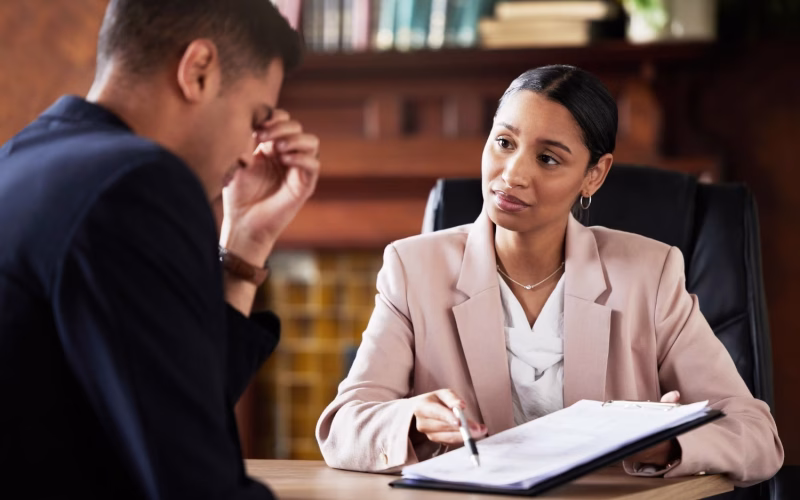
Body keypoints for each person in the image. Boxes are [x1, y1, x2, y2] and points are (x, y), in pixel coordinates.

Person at [316, 65, 783, 486]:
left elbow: (757, 435)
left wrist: (664, 444)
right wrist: (411, 418)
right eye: (504, 143)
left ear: (594, 176)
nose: (512, 175)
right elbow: (343, 426)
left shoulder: (650, 273)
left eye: (548, 158)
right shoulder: (412, 268)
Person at [0, 0, 319, 498]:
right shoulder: (137, 181)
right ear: (198, 71)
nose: (246, 151)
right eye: (255, 119)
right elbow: (197, 483)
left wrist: (245, 243)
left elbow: (178, 412)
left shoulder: (20, 157)